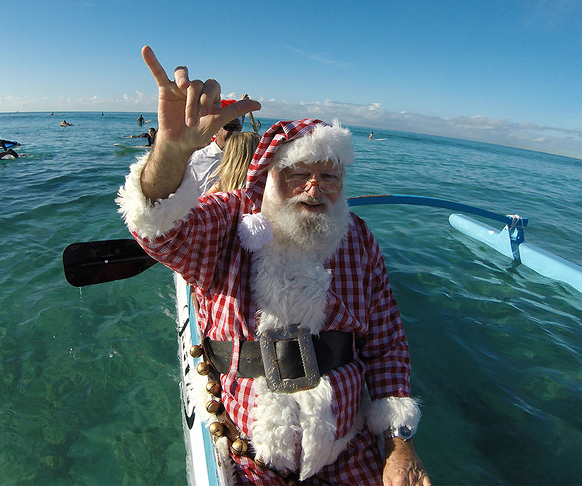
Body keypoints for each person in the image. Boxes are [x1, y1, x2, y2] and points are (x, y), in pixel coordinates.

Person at [116, 46, 430, 486]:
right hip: (248, 455)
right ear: (269, 175)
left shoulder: (357, 237)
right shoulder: (231, 220)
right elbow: (161, 232)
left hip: (348, 448)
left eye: (329, 177)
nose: (314, 189)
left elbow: (387, 342)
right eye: (298, 173)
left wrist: (400, 446)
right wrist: (170, 153)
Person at [182, 99, 245, 195]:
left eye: (238, 128)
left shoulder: (243, 158)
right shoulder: (197, 158)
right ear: (215, 130)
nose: (235, 133)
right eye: (229, 128)